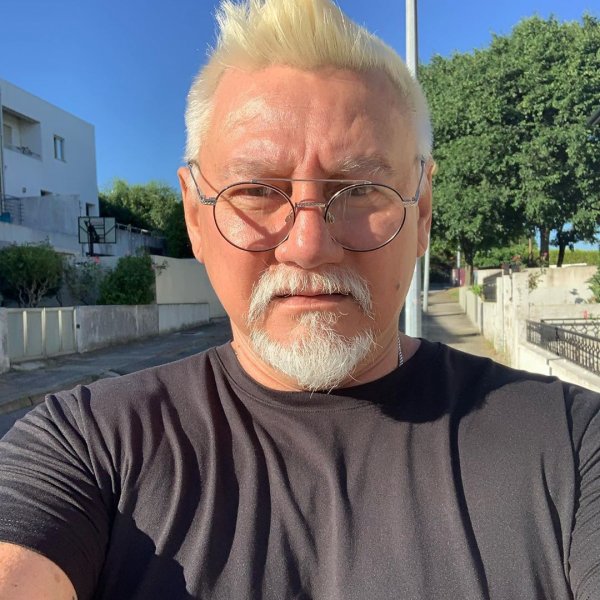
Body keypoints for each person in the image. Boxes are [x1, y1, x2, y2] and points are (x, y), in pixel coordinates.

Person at [0, 0, 599, 598]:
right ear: (195, 217)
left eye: (360, 189)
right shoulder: (84, 447)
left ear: (421, 214)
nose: (308, 246)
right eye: (256, 190)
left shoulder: (572, 446)